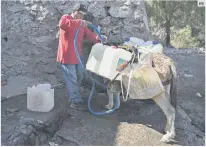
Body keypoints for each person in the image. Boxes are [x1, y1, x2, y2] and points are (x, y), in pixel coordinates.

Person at [57, 3, 104, 110]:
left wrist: (99, 39)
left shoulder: (81, 25)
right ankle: (76, 102)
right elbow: (62, 25)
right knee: (72, 78)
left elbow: (90, 35)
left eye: (82, 15)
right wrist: (79, 22)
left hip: (78, 55)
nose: (80, 16)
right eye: (79, 13)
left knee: (80, 75)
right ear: (74, 11)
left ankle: (73, 95)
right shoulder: (66, 18)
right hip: (67, 56)